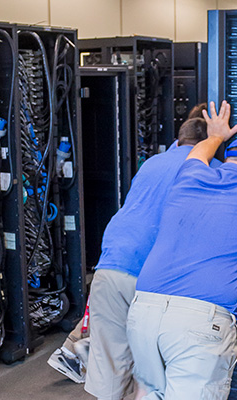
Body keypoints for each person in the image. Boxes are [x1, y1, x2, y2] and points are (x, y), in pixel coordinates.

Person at [47, 117, 220, 399]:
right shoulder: (208, 169)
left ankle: (83, 348)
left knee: (111, 365)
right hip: (154, 277)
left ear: (178, 140)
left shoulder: (152, 163)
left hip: (112, 262)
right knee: (157, 369)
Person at [126, 101, 237, 399]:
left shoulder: (190, 177)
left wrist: (215, 136)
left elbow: (197, 154)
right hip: (198, 322)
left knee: (147, 394)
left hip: (144, 310)